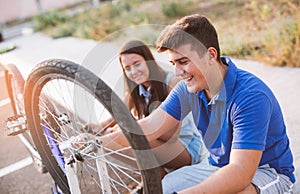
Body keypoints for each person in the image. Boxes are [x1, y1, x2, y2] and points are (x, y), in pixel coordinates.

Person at [99, 14, 295, 193]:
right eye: (174, 63)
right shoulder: (188, 88)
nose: (177, 72)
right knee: (166, 186)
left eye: (183, 61)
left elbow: (240, 172)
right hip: (217, 166)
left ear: (211, 55)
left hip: (267, 173)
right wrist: (95, 143)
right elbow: (150, 126)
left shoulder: (250, 96)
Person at [74, 40, 207, 176]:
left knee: (131, 139)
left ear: (148, 61)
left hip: (184, 147)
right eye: (128, 68)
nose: (134, 72)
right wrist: (101, 127)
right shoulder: (135, 89)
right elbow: (120, 114)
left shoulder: (171, 82)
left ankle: (157, 183)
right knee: (114, 141)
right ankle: (157, 181)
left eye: (137, 64)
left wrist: (125, 130)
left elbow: (170, 135)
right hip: (160, 144)